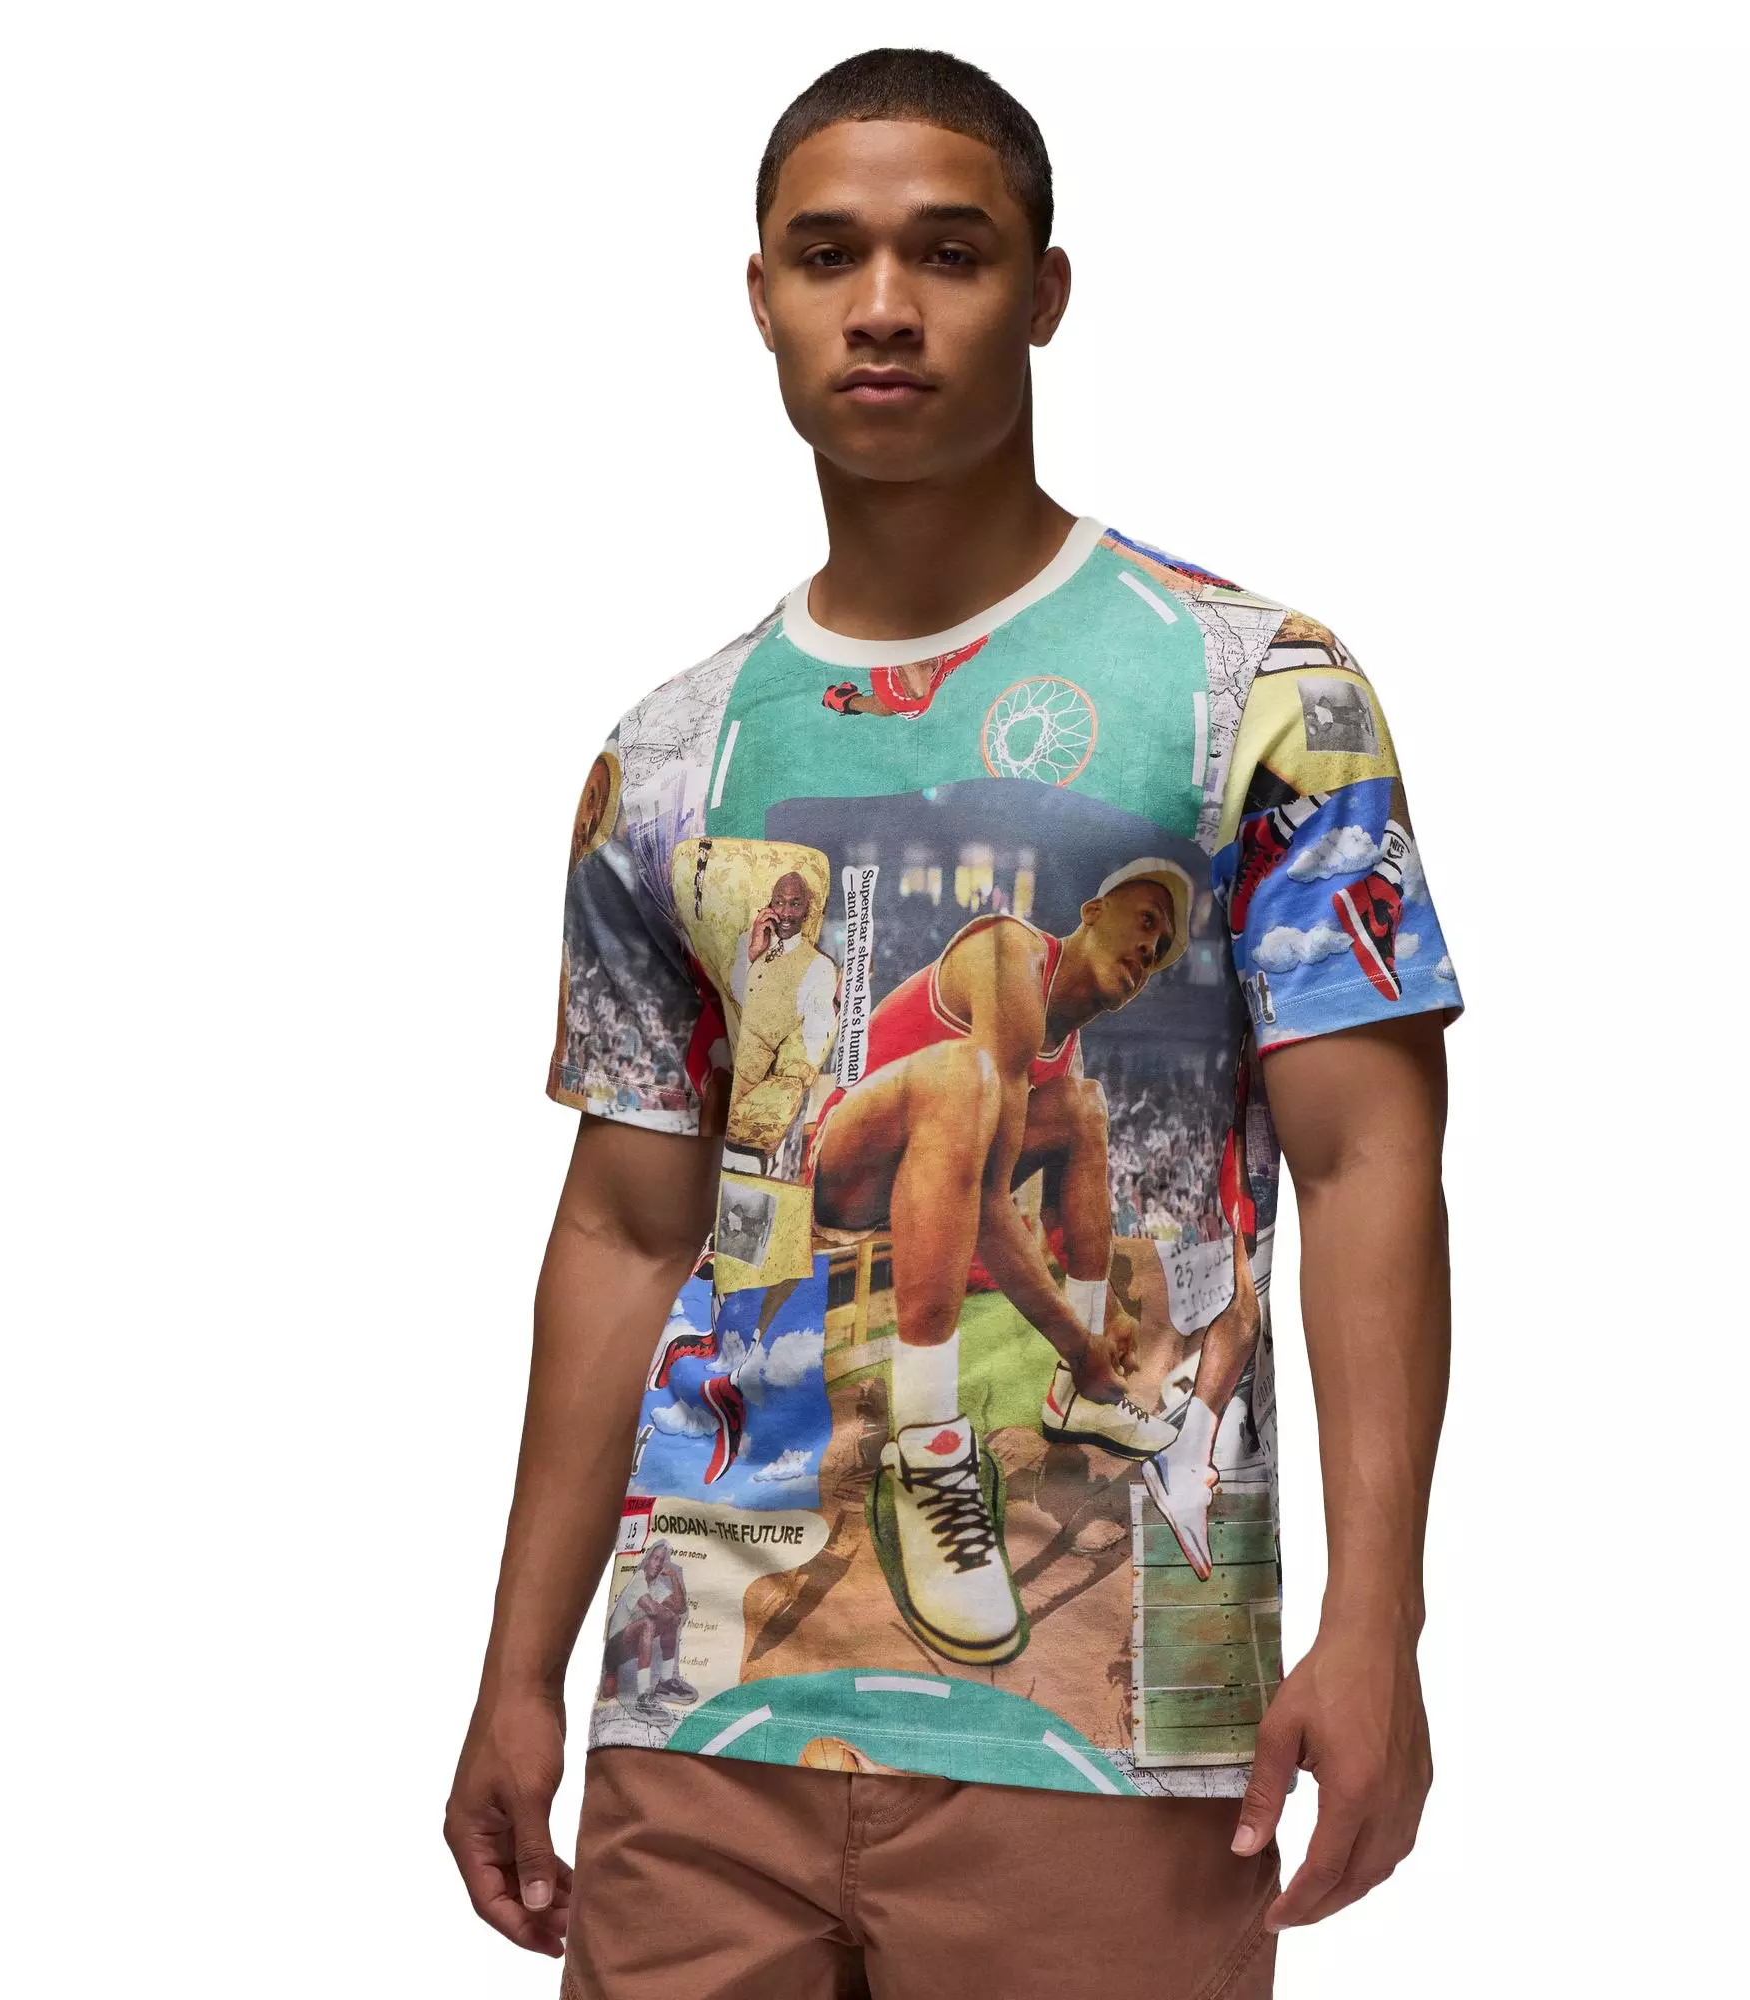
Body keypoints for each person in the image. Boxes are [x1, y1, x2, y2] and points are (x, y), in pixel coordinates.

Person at [445, 47, 1462, 2000]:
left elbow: (1367, 1164)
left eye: (952, 252)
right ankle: (932, 1428)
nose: (887, 305)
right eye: (831, 255)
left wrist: (1378, 1624)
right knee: (962, 1089)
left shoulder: (1255, 689)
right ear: (763, 297)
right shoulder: (670, 754)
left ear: (1045, 293)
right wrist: (517, 1669)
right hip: (700, 1701)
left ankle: (987, 1430)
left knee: (1016, 1127)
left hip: (1103, 1748)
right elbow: (624, 1230)